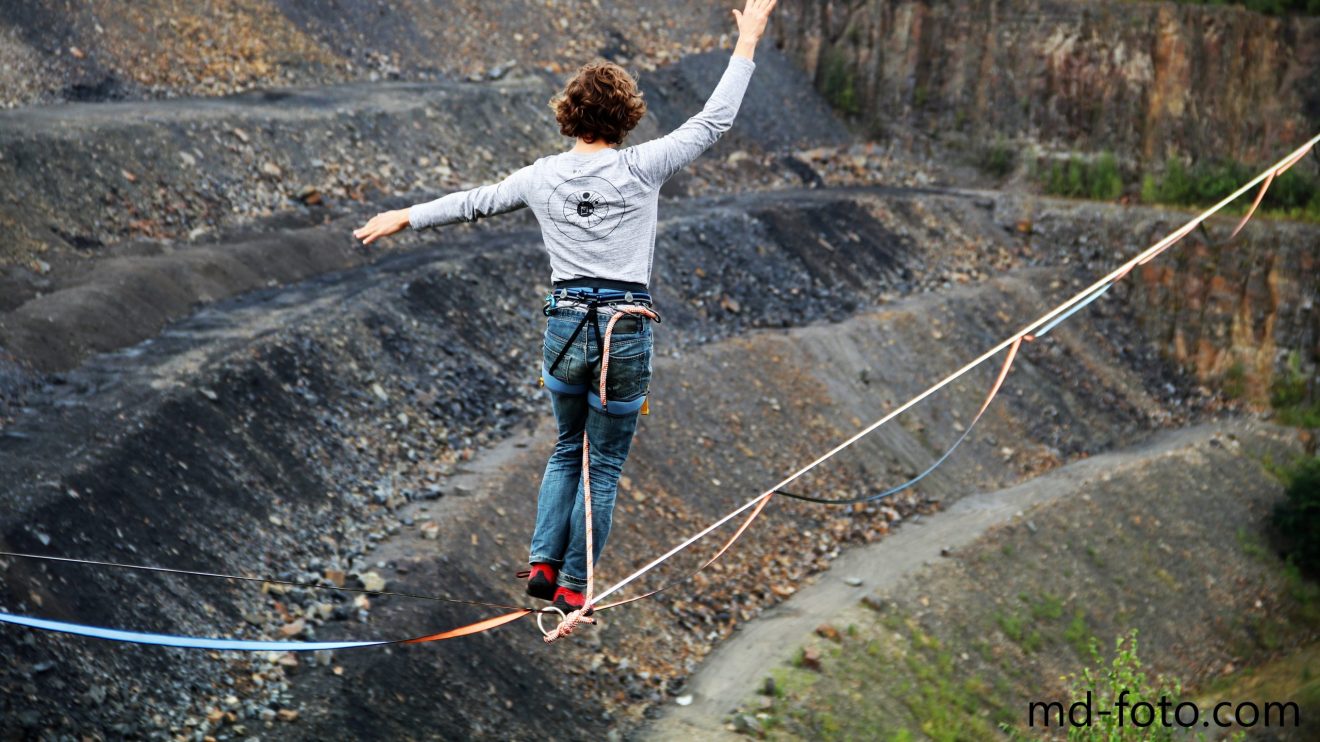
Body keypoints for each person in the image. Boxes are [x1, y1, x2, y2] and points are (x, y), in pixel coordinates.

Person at [353, 0, 778, 615]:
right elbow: (713, 121)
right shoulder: (642, 166)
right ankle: (575, 585)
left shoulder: (541, 176)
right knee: (600, 464)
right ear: (627, 117)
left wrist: (405, 215)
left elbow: (476, 201)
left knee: (563, 447)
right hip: (623, 333)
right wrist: (748, 40)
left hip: (565, 326)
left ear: (570, 115)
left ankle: (543, 562)